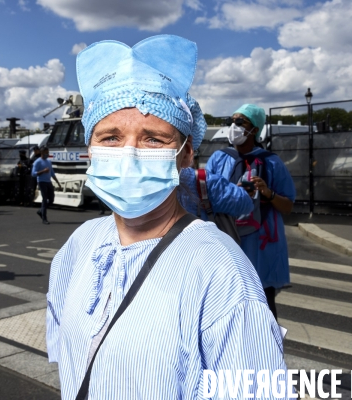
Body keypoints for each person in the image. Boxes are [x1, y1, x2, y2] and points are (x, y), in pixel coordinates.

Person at [46, 35, 289, 399]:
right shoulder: (80, 245)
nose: (128, 154)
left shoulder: (221, 273)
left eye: (153, 140)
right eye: (110, 137)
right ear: (90, 149)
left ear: (186, 154)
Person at [206, 104, 296, 320]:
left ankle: (266, 349)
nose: (233, 126)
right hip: (227, 237)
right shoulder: (219, 159)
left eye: (240, 122)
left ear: (254, 130)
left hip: (262, 244)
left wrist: (268, 193)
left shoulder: (271, 163)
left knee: (262, 302)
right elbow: (205, 195)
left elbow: (288, 205)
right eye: (231, 121)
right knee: (224, 300)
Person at [31, 146, 61, 224]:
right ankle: (44, 218)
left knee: (51, 199)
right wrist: (43, 171)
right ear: (42, 153)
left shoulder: (48, 161)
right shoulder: (37, 162)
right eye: (46, 153)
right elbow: (33, 174)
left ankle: (41, 211)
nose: (47, 154)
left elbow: (52, 173)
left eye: (48, 152)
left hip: (48, 181)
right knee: (44, 199)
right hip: (41, 182)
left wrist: (58, 182)